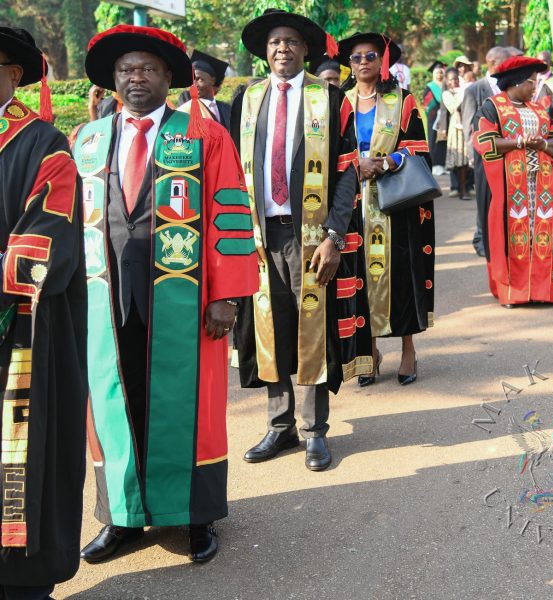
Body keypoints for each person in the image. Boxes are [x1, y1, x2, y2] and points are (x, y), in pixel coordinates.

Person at [75, 24, 258, 565]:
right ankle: (122, 517)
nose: (137, 78)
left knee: (189, 407)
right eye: (127, 70)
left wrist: (227, 295)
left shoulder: (201, 134)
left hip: (183, 297)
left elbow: (230, 211)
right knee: (114, 405)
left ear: (168, 78)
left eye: (148, 69)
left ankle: (194, 515)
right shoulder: (88, 140)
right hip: (104, 299)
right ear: (112, 79)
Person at [232, 9, 372, 472]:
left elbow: (348, 172)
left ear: (305, 49)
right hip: (260, 234)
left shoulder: (330, 99)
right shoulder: (246, 99)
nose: (282, 49)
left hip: (311, 234)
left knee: (312, 325)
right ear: (264, 50)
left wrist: (335, 234)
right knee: (269, 325)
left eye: (291, 41)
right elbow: (232, 171)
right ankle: (280, 424)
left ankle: (314, 431)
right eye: (274, 42)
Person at [0, 27, 87, 600]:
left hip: (23, 337)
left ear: (13, 74)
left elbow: (48, 243)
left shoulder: (43, 144)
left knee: (17, 467)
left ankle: (22, 581)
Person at [337, 32, 435, 387]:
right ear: (349, 64)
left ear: (382, 61)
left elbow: (420, 148)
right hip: (350, 203)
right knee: (360, 273)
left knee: (400, 275)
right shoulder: (339, 102)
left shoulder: (402, 101)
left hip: (393, 202)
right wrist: (353, 166)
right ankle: (371, 350)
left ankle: (408, 349)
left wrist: (387, 161)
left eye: (370, 56)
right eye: (356, 57)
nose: (363, 62)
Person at [473, 56, 553, 306]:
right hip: (510, 187)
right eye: (532, 82)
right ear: (517, 82)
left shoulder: (538, 109)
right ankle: (514, 293)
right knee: (513, 237)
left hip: (540, 187)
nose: (535, 87)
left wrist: (544, 144)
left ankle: (542, 291)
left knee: (538, 235)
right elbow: (484, 142)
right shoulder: (492, 107)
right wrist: (520, 142)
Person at [462, 46, 511, 257]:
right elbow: (468, 126)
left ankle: (499, 239)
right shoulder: (474, 89)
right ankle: (481, 239)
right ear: (493, 63)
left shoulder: (508, 87)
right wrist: (472, 156)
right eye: (506, 62)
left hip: (506, 155)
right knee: (484, 199)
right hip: (483, 156)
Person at [177, 50, 232, 131]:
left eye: (199, 79)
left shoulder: (226, 108)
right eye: (192, 80)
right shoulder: (186, 110)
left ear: (212, 80)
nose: (194, 85)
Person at [442, 67, 470, 198]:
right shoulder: (447, 94)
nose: (455, 81)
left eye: (456, 79)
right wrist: (463, 92)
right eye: (451, 79)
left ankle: (464, 189)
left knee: (465, 161)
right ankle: (460, 190)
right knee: (459, 161)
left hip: (466, 126)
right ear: (447, 82)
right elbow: (454, 107)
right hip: (456, 129)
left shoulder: (463, 91)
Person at [423, 61, 447, 176]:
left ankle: (444, 164)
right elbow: (428, 104)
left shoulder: (446, 85)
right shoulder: (430, 87)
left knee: (445, 140)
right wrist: (437, 110)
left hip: (446, 117)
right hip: (434, 119)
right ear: (433, 74)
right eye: (437, 73)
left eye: (441, 73)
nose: (439, 75)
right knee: (434, 140)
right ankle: (435, 165)